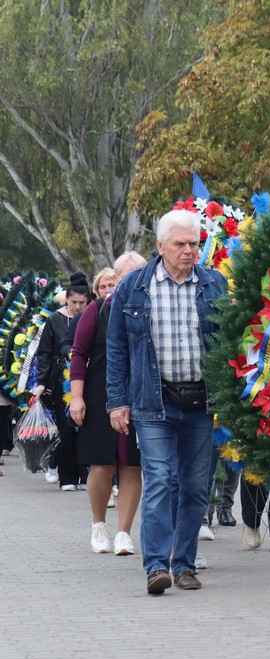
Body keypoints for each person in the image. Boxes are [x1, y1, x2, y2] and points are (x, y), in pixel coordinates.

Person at [107, 210, 228, 594]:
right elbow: (116, 348)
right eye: (180, 244)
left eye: (194, 244)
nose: (189, 251)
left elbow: (228, 343)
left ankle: (185, 564)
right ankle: (156, 566)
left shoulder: (214, 285)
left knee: (194, 488)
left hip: (200, 402)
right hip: (153, 402)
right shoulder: (134, 288)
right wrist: (117, 401)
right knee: (160, 480)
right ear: (160, 246)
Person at [70, 253, 146, 555]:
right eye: (122, 279)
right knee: (102, 464)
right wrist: (76, 397)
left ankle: (124, 533)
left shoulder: (148, 307)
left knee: (131, 465)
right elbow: (79, 353)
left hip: (139, 394)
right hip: (100, 394)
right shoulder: (98, 309)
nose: (128, 284)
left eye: (135, 277)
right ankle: (99, 525)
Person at [35, 271, 90, 490]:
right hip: (61, 378)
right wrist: (41, 382)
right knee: (66, 429)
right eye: (74, 302)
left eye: (82, 302)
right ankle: (67, 477)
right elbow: (44, 352)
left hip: (87, 376)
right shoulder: (54, 320)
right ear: (66, 299)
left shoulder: (91, 317)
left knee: (86, 426)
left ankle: (85, 475)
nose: (78, 306)